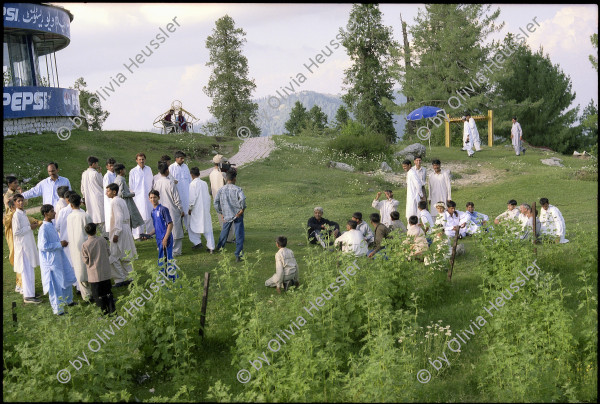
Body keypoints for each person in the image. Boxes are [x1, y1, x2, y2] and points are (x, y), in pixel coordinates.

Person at [38, 204, 78, 315]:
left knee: (66, 277)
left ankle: (68, 300)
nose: (54, 213)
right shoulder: (43, 228)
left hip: (59, 257)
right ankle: (58, 309)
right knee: (55, 284)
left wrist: (60, 245)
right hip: (51, 261)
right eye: (52, 211)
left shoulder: (51, 225)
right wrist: (58, 244)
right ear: (46, 214)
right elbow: (43, 246)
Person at [4, 197, 42, 294]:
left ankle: (31, 292)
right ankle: (28, 295)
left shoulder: (23, 214)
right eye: (18, 201)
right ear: (14, 204)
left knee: (29, 271)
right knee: (25, 271)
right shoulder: (16, 215)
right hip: (23, 247)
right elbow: (16, 232)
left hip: (27, 245)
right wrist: (30, 227)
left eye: (22, 201)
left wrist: (31, 227)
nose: (21, 203)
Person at [106, 183, 137, 287]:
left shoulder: (115, 202)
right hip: (125, 228)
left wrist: (117, 233)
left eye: (108, 191)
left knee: (114, 255)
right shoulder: (121, 200)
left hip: (120, 230)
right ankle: (129, 277)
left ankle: (121, 279)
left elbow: (119, 217)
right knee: (124, 254)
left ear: (114, 192)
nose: (107, 193)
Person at [81, 223, 115, 315]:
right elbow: (108, 252)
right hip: (105, 272)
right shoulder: (102, 240)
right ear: (95, 231)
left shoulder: (85, 244)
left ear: (86, 232)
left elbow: (85, 259)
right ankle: (112, 310)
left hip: (94, 274)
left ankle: (103, 312)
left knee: (98, 295)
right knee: (108, 293)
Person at [153, 161, 185, 256]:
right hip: (171, 209)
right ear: (167, 171)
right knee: (175, 229)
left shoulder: (156, 183)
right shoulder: (170, 183)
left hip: (161, 209)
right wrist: (181, 209)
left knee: (163, 228)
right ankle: (175, 250)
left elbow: (154, 197)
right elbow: (177, 198)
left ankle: (163, 247)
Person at [66, 193, 93, 302]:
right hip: (86, 244)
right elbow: (91, 230)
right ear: (80, 203)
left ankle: (86, 295)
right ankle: (92, 293)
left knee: (80, 269)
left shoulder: (69, 217)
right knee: (89, 269)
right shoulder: (85, 216)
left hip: (74, 246)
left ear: (71, 205)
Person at [214, 170, 246, 262]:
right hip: (237, 214)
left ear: (226, 179)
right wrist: (242, 209)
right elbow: (242, 199)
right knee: (239, 234)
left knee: (225, 231)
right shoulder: (238, 189)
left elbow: (216, 203)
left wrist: (221, 213)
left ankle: (220, 247)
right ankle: (238, 255)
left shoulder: (221, 190)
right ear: (234, 179)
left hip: (226, 214)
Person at [147, 190, 177, 282]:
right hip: (159, 239)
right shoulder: (153, 212)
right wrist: (148, 234)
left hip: (166, 239)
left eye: (155, 197)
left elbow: (170, 224)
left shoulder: (163, 209)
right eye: (151, 198)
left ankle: (173, 279)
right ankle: (163, 279)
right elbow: (157, 227)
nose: (153, 199)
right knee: (161, 259)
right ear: (149, 199)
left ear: (158, 198)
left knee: (168, 259)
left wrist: (165, 238)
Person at [188, 167, 215, 253]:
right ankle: (211, 247)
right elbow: (207, 196)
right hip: (204, 208)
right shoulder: (204, 183)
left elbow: (192, 199)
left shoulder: (192, 184)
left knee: (191, 226)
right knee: (207, 227)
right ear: (199, 174)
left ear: (191, 175)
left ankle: (197, 242)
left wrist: (190, 208)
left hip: (197, 209)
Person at [209, 154, 234, 243]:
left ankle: (226, 237)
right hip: (225, 199)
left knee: (222, 220)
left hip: (217, 199)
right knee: (230, 220)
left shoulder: (211, 173)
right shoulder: (222, 174)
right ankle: (229, 238)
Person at [129, 153, 154, 240]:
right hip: (138, 197)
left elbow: (151, 182)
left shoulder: (149, 169)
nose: (141, 161)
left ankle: (149, 233)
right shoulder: (133, 171)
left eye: (143, 159)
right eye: (139, 159)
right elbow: (131, 186)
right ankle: (138, 235)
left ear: (145, 160)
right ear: (136, 160)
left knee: (149, 214)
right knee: (139, 215)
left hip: (148, 195)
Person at [113, 164, 145, 230]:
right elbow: (121, 193)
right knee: (128, 220)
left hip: (123, 202)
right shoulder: (120, 180)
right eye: (124, 169)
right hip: (125, 203)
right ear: (121, 171)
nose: (125, 171)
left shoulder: (118, 179)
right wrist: (131, 194)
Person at [81, 156, 106, 236]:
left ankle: (92, 234)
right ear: (94, 164)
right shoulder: (95, 173)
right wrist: (100, 173)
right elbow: (102, 183)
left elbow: (82, 188)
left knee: (92, 216)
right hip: (98, 198)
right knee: (101, 217)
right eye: (97, 163)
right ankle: (105, 236)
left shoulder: (84, 174)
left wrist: (84, 197)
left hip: (88, 199)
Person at [169, 151, 192, 230]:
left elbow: (189, 179)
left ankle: (188, 228)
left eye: (183, 158)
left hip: (186, 193)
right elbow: (169, 181)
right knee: (179, 211)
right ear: (176, 158)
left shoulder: (185, 166)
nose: (183, 160)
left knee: (187, 210)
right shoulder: (171, 167)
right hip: (177, 193)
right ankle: (179, 229)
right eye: (181, 158)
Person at [55, 190, 76, 267]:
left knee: (69, 263)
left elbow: (57, 227)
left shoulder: (63, 212)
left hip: (66, 240)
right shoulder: (82, 211)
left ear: (67, 199)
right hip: (77, 239)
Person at [103, 158, 117, 234]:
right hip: (110, 199)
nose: (112, 167)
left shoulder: (115, 174)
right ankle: (111, 232)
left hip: (115, 197)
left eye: (113, 165)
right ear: (107, 167)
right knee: (110, 215)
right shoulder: (107, 176)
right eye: (110, 166)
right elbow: (107, 189)